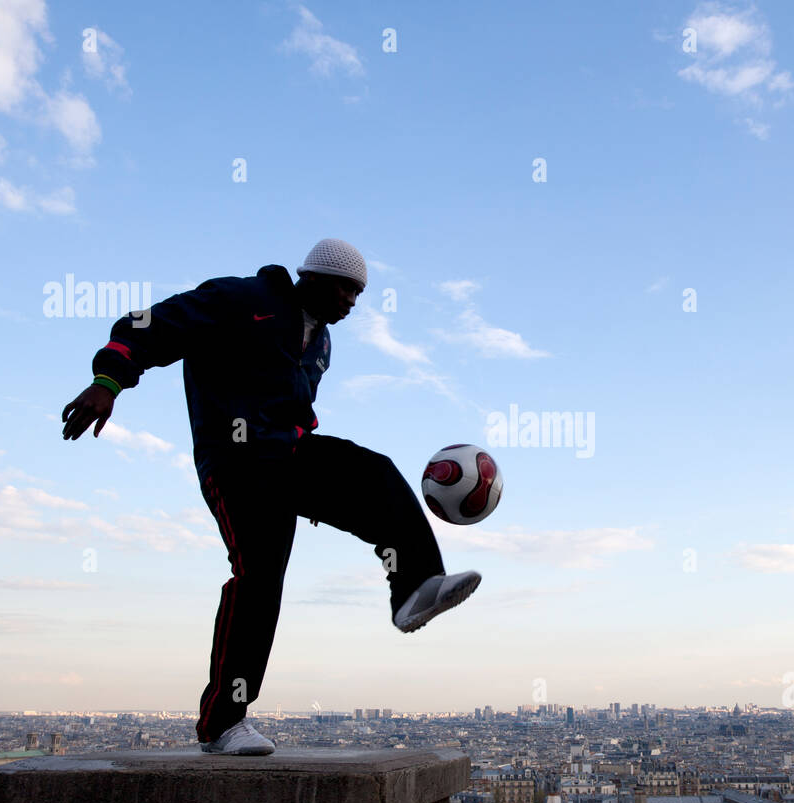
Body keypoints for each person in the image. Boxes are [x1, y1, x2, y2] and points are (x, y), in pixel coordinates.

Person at [61, 238, 481, 755]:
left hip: (289, 456)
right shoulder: (241, 299)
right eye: (346, 288)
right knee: (259, 579)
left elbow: (295, 407)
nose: (353, 301)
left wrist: (317, 495)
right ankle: (222, 723)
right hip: (235, 462)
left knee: (375, 473)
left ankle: (415, 588)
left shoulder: (322, 344)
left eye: (360, 293)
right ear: (313, 277)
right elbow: (149, 327)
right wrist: (109, 380)